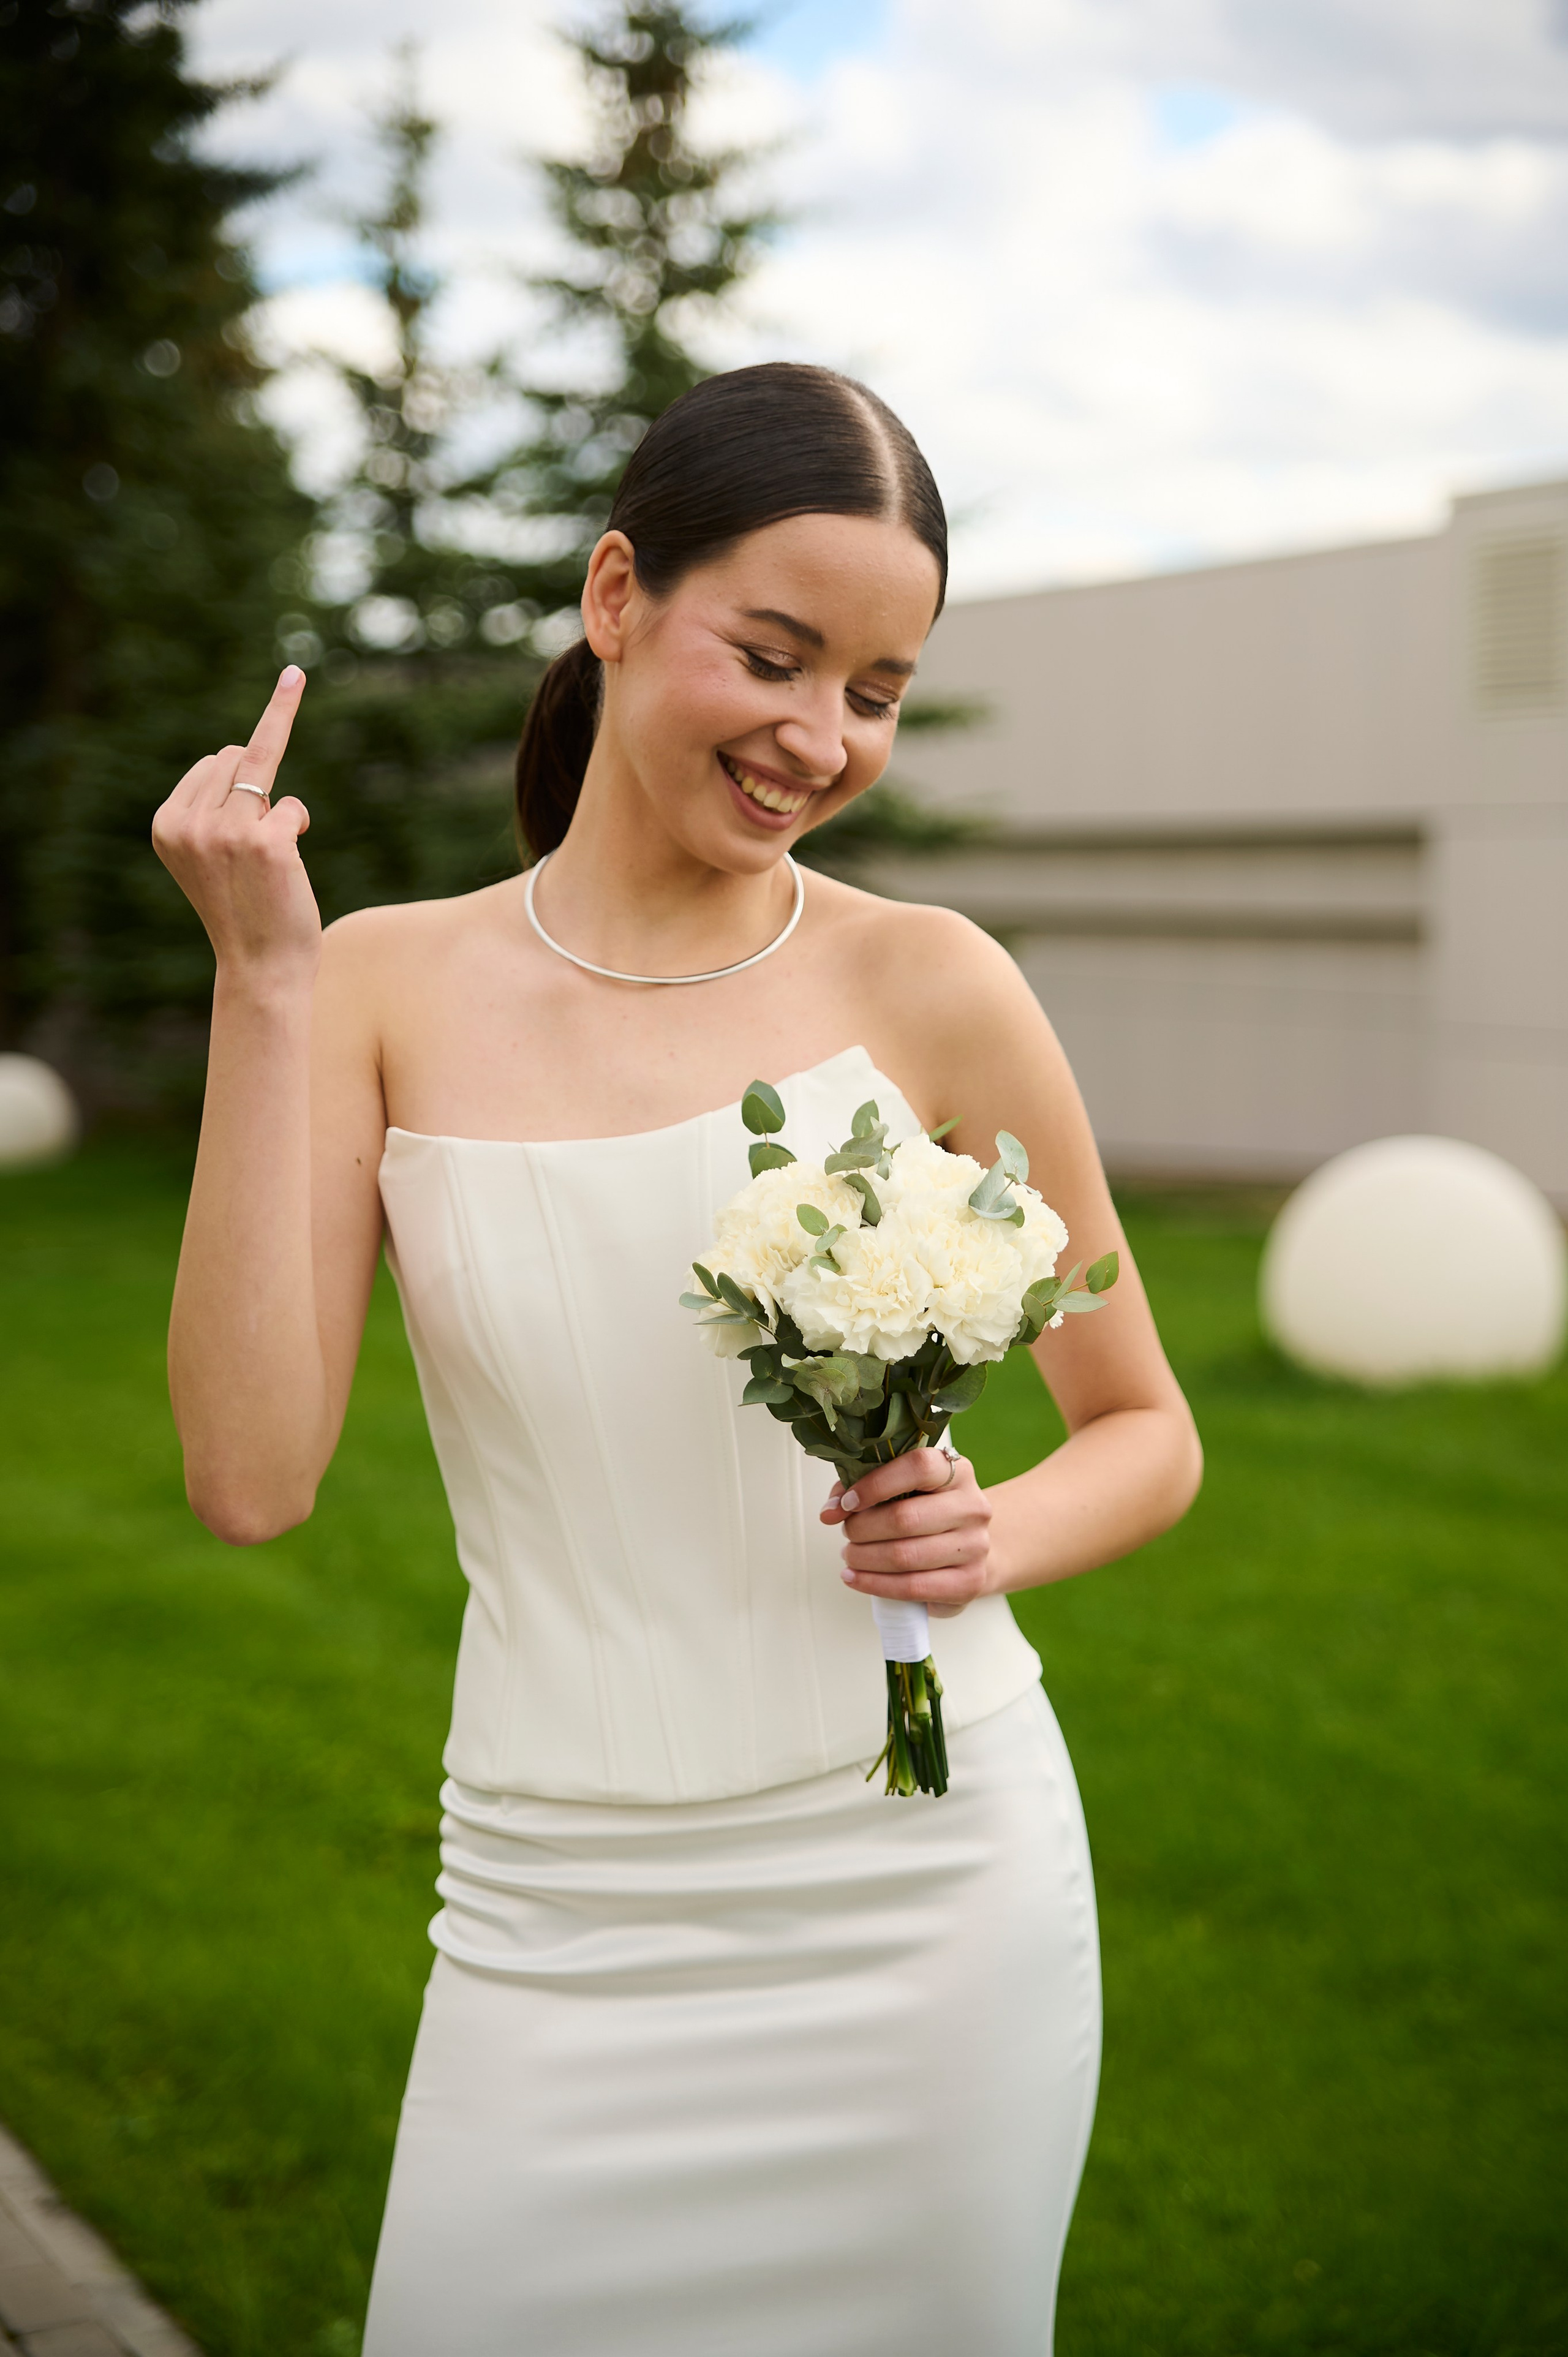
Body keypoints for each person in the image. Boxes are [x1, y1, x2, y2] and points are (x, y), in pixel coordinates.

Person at [153, 362, 1201, 2356]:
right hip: (556, 1920)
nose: (820, 737)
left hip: (927, 1888)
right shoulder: (369, 981)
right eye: (775, 655)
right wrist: (265, 986)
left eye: (876, 690)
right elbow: (248, 1478)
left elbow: (1144, 1429)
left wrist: (994, 1536)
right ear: (618, 595)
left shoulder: (934, 984)